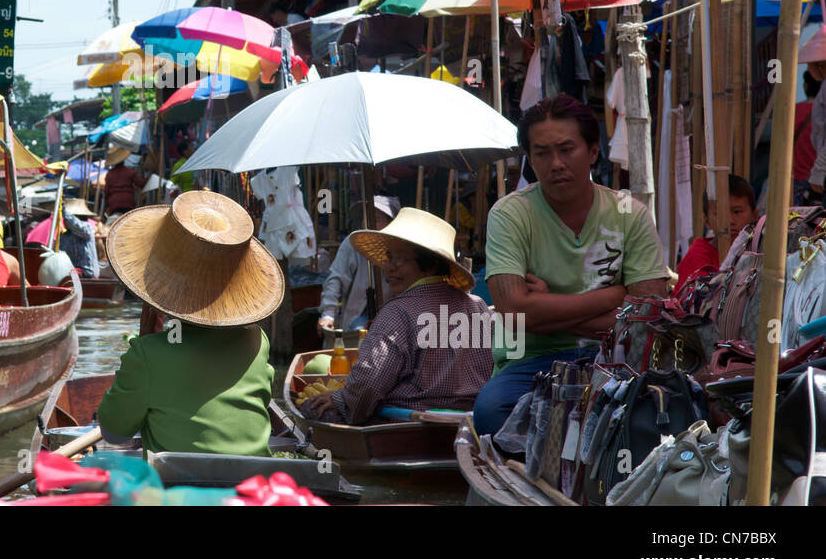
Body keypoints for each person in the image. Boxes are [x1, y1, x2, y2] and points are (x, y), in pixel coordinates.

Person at [472, 94, 671, 436]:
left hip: (616, 359)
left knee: (665, 409)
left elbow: (646, 320)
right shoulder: (511, 214)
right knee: (492, 410)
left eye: (567, 150)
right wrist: (612, 297)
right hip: (532, 363)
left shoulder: (630, 215)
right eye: (543, 153)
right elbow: (515, 314)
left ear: (593, 152)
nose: (556, 164)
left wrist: (546, 308)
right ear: (530, 160)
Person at [96, 192, 282, 455]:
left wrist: (145, 343)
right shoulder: (256, 341)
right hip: (254, 483)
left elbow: (114, 434)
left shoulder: (148, 354)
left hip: (176, 489)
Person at [301, 208, 493, 423]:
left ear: (428, 265)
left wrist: (341, 398)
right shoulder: (478, 306)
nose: (389, 268)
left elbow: (369, 382)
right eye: (389, 258)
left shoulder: (398, 312)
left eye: (399, 260)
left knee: (312, 407)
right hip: (471, 421)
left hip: (409, 422)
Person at [317, 195, 399, 334]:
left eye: (376, 219)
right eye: (366, 217)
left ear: (390, 223)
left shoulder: (399, 249)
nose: (368, 223)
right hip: (355, 321)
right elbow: (336, 279)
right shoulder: (352, 243)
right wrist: (328, 315)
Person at [675, 175, 758, 288]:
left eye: (737, 212)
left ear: (755, 216)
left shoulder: (758, 250)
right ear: (707, 221)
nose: (729, 221)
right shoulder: (699, 255)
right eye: (720, 214)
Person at [794, 68, 821, 205]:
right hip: (819, 178)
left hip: (797, 177)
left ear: (805, 86)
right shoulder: (822, 112)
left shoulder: (793, 111)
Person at [58, 197, 100, 279]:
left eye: (66, 219)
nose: (64, 221)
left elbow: (76, 224)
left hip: (88, 276)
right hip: (74, 276)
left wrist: (63, 209)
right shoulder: (64, 236)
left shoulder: (86, 228)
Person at [103, 147, 146, 215]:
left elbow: (106, 192)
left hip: (114, 203)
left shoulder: (109, 174)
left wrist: (106, 206)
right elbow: (140, 183)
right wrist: (149, 178)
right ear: (123, 160)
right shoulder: (129, 171)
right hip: (128, 202)